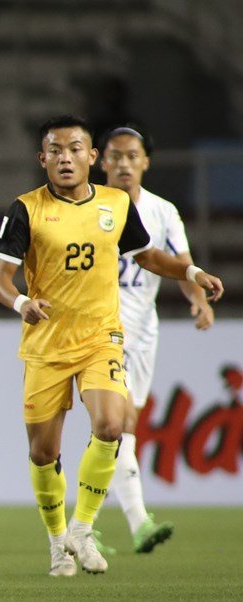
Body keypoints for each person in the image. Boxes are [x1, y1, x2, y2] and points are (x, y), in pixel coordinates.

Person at [0, 114, 223, 578]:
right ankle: (58, 542)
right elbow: (0, 281)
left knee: (113, 425)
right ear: (42, 159)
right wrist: (21, 303)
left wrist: (192, 272)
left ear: (91, 157)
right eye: (55, 150)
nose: (65, 158)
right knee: (43, 453)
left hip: (101, 338)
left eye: (75, 149)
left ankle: (82, 527)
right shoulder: (25, 209)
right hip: (47, 344)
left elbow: (148, 256)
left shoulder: (115, 203)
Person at [95, 124, 214, 554]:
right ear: (101, 161)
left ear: (146, 161)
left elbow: (180, 262)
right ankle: (138, 522)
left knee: (120, 431)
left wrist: (198, 300)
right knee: (120, 422)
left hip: (144, 333)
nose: (124, 164)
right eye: (115, 156)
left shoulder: (163, 212)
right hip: (101, 331)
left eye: (132, 156)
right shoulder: (90, 207)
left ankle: (80, 526)